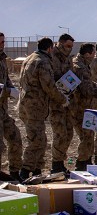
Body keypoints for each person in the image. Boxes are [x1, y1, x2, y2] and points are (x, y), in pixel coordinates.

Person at [18, 37, 67, 180]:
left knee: (40, 139)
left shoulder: (29, 59)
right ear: (50, 48)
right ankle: (25, 171)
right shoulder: (43, 62)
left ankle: (37, 171)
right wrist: (63, 99)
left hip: (27, 106)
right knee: (37, 141)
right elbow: (49, 87)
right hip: (35, 108)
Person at [49, 33, 75, 173]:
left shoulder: (67, 59)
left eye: (71, 47)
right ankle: (56, 164)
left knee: (68, 133)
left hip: (66, 101)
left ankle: (60, 162)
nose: (69, 49)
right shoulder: (52, 57)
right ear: (60, 44)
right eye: (67, 46)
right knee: (60, 133)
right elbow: (51, 79)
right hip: (56, 101)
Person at [0, 32, 23, 180]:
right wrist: (8, 91)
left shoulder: (2, 60)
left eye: (3, 42)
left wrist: (12, 88)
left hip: (3, 110)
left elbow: (6, 78)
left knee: (15, 138)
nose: (2, 45)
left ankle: (14, 172)